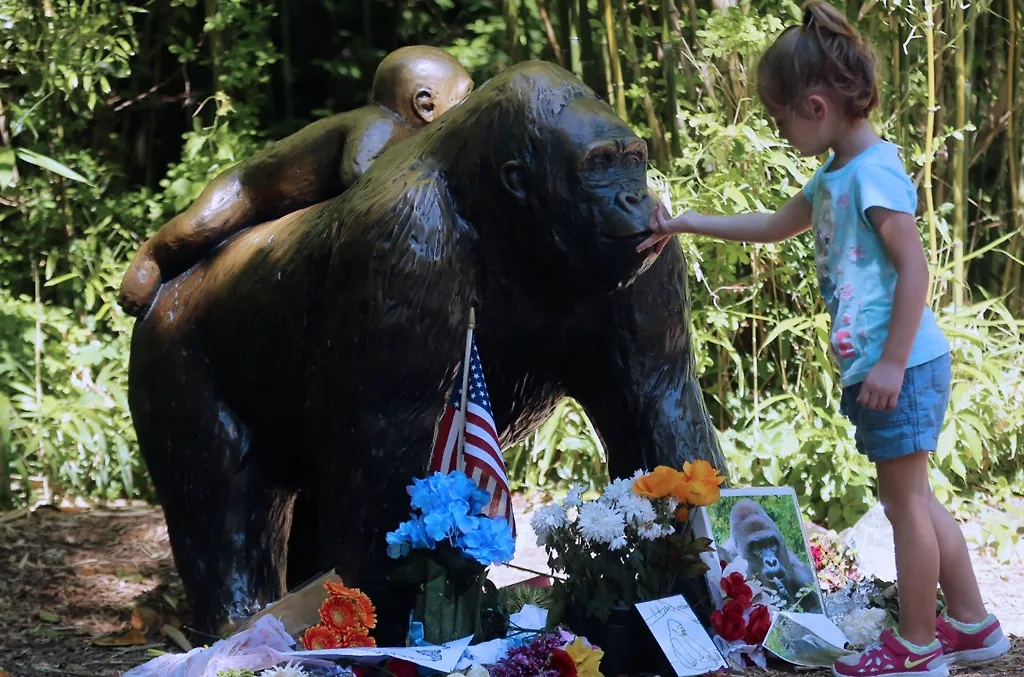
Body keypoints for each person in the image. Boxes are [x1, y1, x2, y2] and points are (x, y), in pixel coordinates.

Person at [637, 2, 1011, 676]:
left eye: (780, 122)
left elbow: (915, 267)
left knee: (905, 508)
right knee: (918, 499)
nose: (781, 135)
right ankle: (973, 624)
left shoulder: (872, 171)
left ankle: (919, 646)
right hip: (885, 367)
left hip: (903, 365)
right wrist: (687, 221)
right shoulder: (835, 173)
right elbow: (775, 224)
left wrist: (894, 362)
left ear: (815, 106)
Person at [118, 45, 474, 317]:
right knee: (197, 227)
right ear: (425, 105)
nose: (470, 109)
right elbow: (358, 172)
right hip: (246, 190)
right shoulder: (381, 125)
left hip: (288, 216)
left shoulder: (408, 141)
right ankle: (150, 256)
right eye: (464, 99)